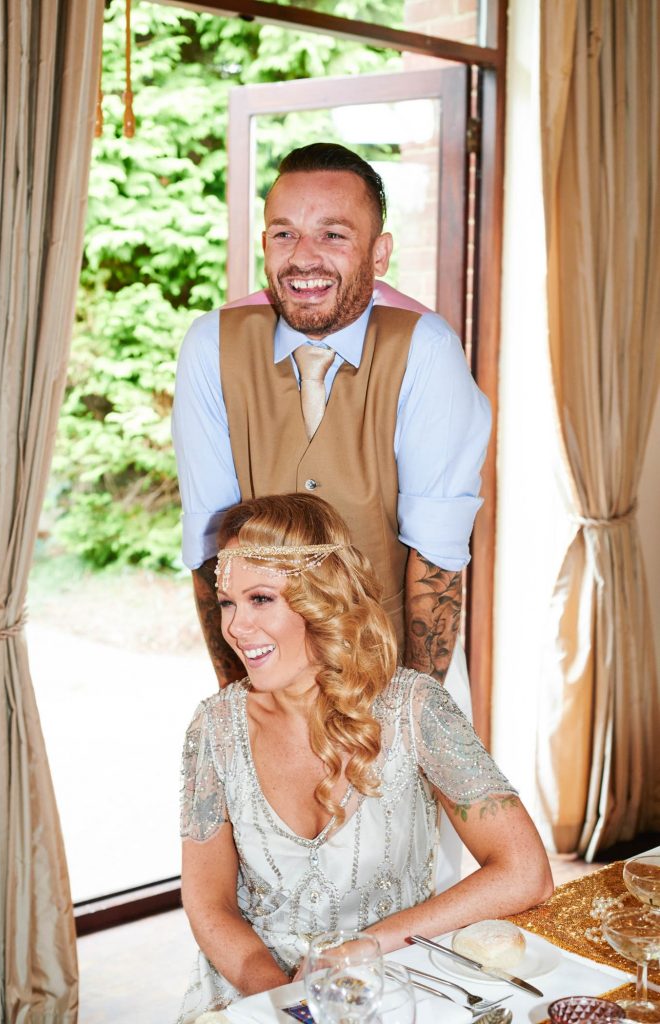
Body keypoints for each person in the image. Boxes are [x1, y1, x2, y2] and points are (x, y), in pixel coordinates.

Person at [177, 494, 553, 1021]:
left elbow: (525, 872)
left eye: (260, 599)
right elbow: (207, 903)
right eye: (228, 603)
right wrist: (282, 1000)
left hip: (394, 979)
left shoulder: (415, 710)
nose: (236, 628)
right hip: (252, 989)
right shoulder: (213, 728)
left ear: (318, 598)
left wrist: (361, 950)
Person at [171, 142, 491, 693]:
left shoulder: (425, 349)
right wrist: (239, 702)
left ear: (379, 253)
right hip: (263, 675)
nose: (303, 257)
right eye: (284, 232)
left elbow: (436, 561)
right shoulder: (209, 346)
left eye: (333, 234)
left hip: (402, 671)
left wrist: (412, 718)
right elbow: (209, 546)